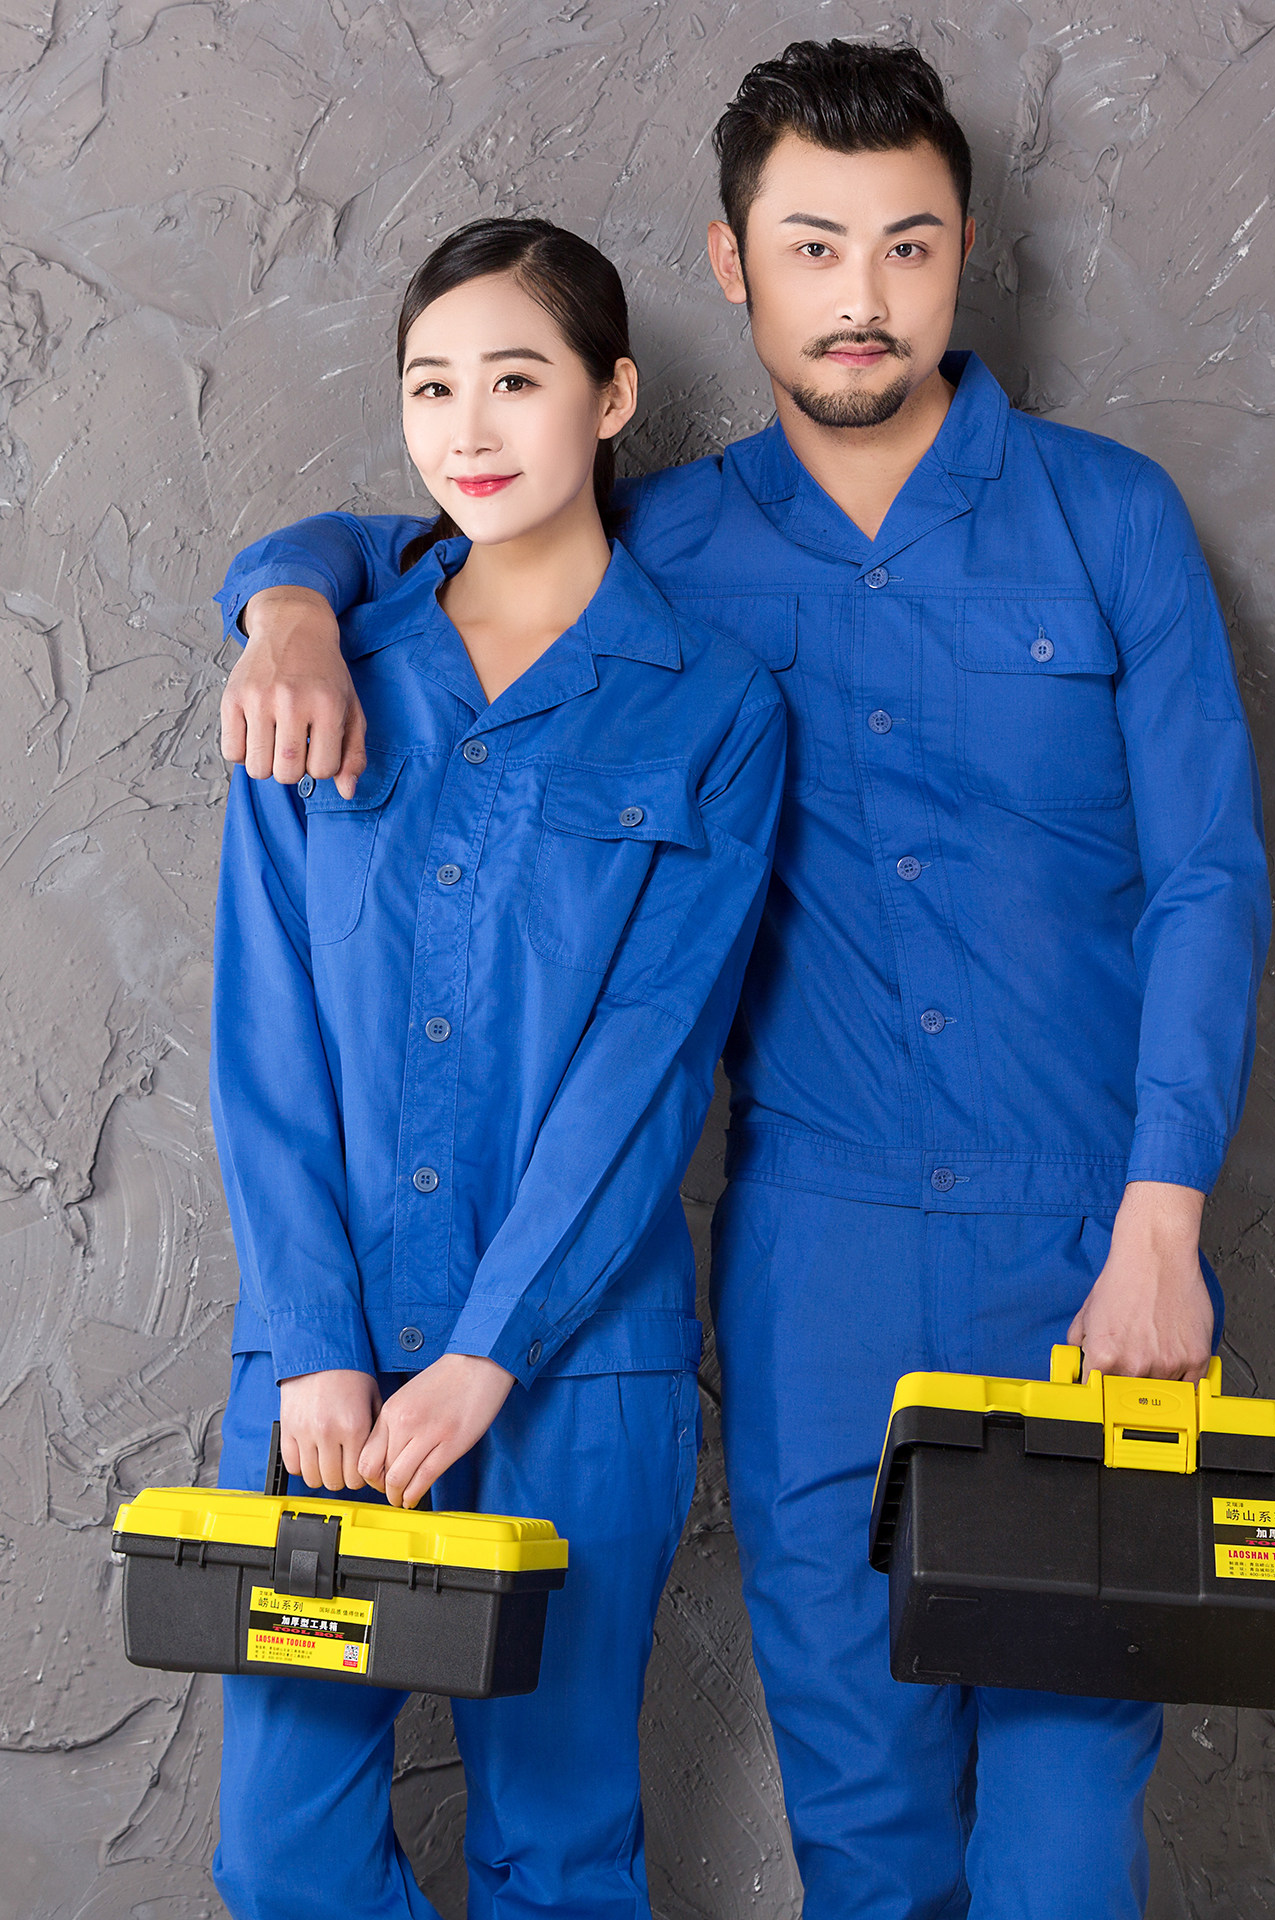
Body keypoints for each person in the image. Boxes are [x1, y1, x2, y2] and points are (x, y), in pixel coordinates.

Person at [215, 42, 1270, 1920]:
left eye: (907, 246)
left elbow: (1209, 879)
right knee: (862, 1819)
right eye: (811, 248)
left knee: (1061, 1831)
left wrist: (1165, 1211)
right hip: (814, 1264)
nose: (861, 297)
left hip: (1095, 1238)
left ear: (963, 255)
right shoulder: (675, 545)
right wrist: (283, 598)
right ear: (734, 265)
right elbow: (450, 538)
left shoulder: (1110, 520)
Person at [207, 216, 785, 1920]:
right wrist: (317, 1342)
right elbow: (264, 1039)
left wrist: (487, 1355)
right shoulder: (320, 675)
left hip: (573, 1370)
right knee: (281, 1853)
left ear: (613, 398)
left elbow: (648, 1063)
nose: (467, 429)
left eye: (515, 381)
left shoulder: (712, 708)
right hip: (318, 1368)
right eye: (430, 387)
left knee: (561, 1847)